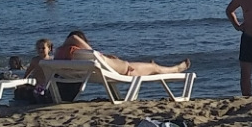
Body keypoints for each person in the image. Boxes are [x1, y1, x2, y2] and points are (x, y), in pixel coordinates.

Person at [56, 29, 188, 79]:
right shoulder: (86, 53)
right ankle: (176, 69)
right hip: (124, 70)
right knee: (154, 68)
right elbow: (73, 37)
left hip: (108, 70)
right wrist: (96, 53)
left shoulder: (62, 54)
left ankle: (150, 66)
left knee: (151, 68)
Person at [16, 38, 61, 103]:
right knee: (32, 93)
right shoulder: (35, 60)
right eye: (38, 48)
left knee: (45, 94)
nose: (40, 50)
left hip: (49, 85)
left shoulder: (52, 60)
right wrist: (24, 79)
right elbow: (29, 70)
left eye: (43, 48)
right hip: (38, 84)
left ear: (49, 48)